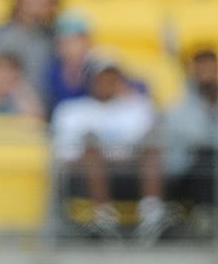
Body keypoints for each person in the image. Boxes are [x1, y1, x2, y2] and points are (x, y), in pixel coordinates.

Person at [50, 56, 170, 243]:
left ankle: (152, 213)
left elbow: (152, 140)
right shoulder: (71, 111)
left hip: (130, 172)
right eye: (101, 78)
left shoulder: (138, 107)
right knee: (91, 146)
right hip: (86, 174)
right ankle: (103, 217)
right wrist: (104, 154)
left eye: (111, 78)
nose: (106, 83)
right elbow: (64, 156)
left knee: (152, 144)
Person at [163, 47, 218, 237]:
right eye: (201, 70)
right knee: (204, 157)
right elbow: (192, 137)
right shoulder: (181, 105)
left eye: (211, 69)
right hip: (186, 172)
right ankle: (204, 215)